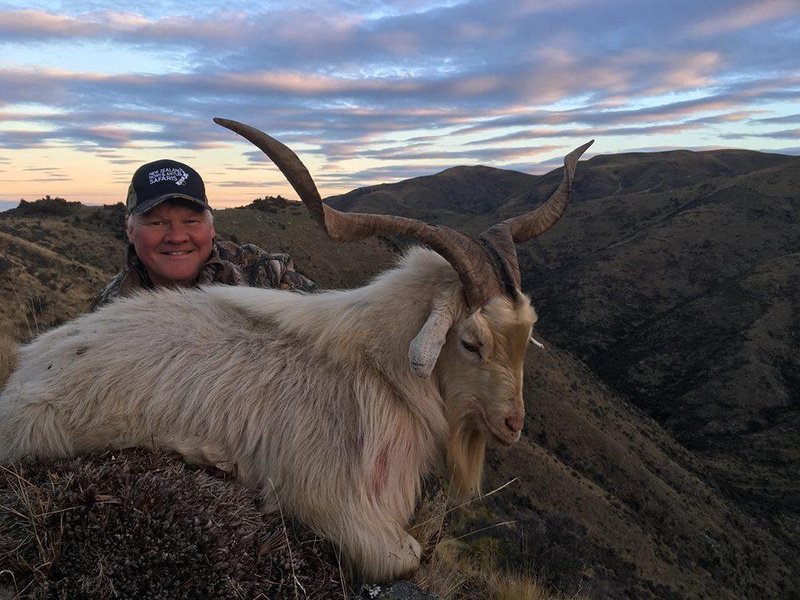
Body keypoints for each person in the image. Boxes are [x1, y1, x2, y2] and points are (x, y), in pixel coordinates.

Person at [91, 159, 316, 309]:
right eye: (157, 222)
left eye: (191, 221)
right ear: (129, 230)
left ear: (212, 228)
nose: (177, 237)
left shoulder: (270, 276)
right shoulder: (109, 307)